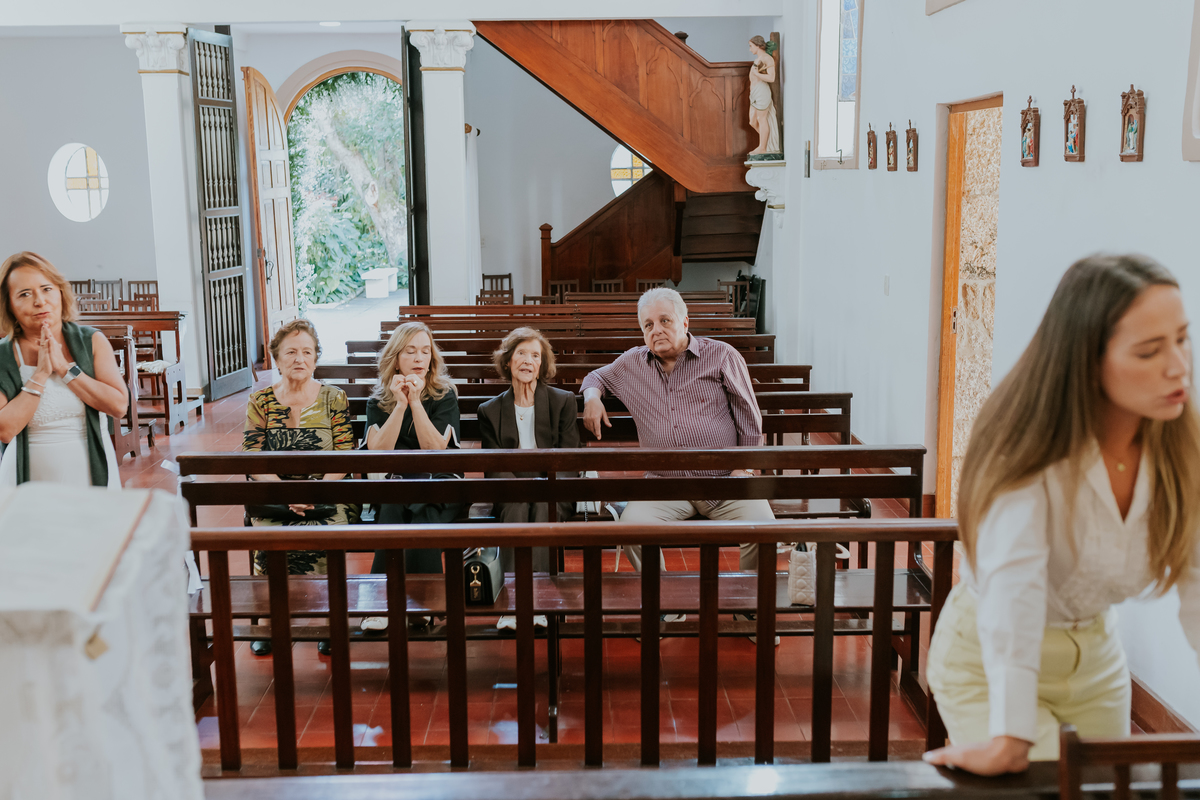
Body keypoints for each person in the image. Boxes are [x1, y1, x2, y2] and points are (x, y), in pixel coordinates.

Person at [923, 255, 1200, 774]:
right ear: (1088, 363)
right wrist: (1009, 735)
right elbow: (1015, 591)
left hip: (1095, 658)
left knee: (1103, 789)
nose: (1178, 366)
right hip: (990, 656)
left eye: (1182, 339)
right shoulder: (1029, 454)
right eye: (1149, 351)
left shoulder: (1182, 448)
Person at [581, 288, 776, 641]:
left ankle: (749, 604)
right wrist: (592, 398)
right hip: (665, 483)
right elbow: (595, 377)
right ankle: (667, 602)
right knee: (629, 530)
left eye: (665, 321)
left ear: (685, 322)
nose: (656, 330)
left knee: (763, 530)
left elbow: (750, 419)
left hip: (724, 480)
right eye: (647, 325)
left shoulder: (721, 356)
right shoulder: (631, 364)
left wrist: (743, 472)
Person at [241, 318, 360, 656]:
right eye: (291, 352)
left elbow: (344, 453)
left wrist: (313, 492)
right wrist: (286, 493)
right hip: (274, 496)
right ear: (276, 359)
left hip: (327, 494)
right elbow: (253, 455)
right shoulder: (260, 401)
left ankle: (328, 619)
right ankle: (269, 621)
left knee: (328, 531)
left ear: (316, 359)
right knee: (268, 535)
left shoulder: (333, 398)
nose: (299, 359)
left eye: (307, 352)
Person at [360, 321, 462, 633]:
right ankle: (400, 605)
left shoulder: (445, 395)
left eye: (425, 351)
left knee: (423, 503)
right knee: (396, 505)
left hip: (441, 484)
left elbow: (436, 450)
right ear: (396, 357)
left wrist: (416, 402)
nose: (419, 358)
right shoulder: (378, 399)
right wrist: (401, 403)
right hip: (398, 485)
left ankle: (410, 604)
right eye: (410, 351)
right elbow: (378, 452)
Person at [478, 327, 579, 631]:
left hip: (554, 485)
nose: (528, 360)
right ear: (508, 361)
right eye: (521, 353)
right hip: (510, 486)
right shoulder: (490, 410)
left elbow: (569, 457)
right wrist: (519, 487)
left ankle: (539, 602)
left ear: (542, 364)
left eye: (535, 355)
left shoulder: (562, 402)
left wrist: (546, 487)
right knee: (518, 506)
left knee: (543, 509)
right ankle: (513, 605)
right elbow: (493, 465)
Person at [0, 252, 127, 488]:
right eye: (25, 294)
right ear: (9, 305)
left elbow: (119, 406)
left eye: (46, 288)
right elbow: (5, 430)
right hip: (28, 487)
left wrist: (65, 369)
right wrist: (40, 374)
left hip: (92, 476)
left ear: (60, 291)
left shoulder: (92, 341)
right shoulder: (3, 355)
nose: (39, 301)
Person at [747, 36, 781, 156]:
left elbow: (771, 78)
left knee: (761, 119)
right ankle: (767, 142)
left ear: (758, 45)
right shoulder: (759, 58)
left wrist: (757, 74)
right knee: (752, 121)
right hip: (755, 93)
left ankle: (763, 147)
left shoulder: (767, 59)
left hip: (762, 91)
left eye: (751, 46)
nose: (750, 49)